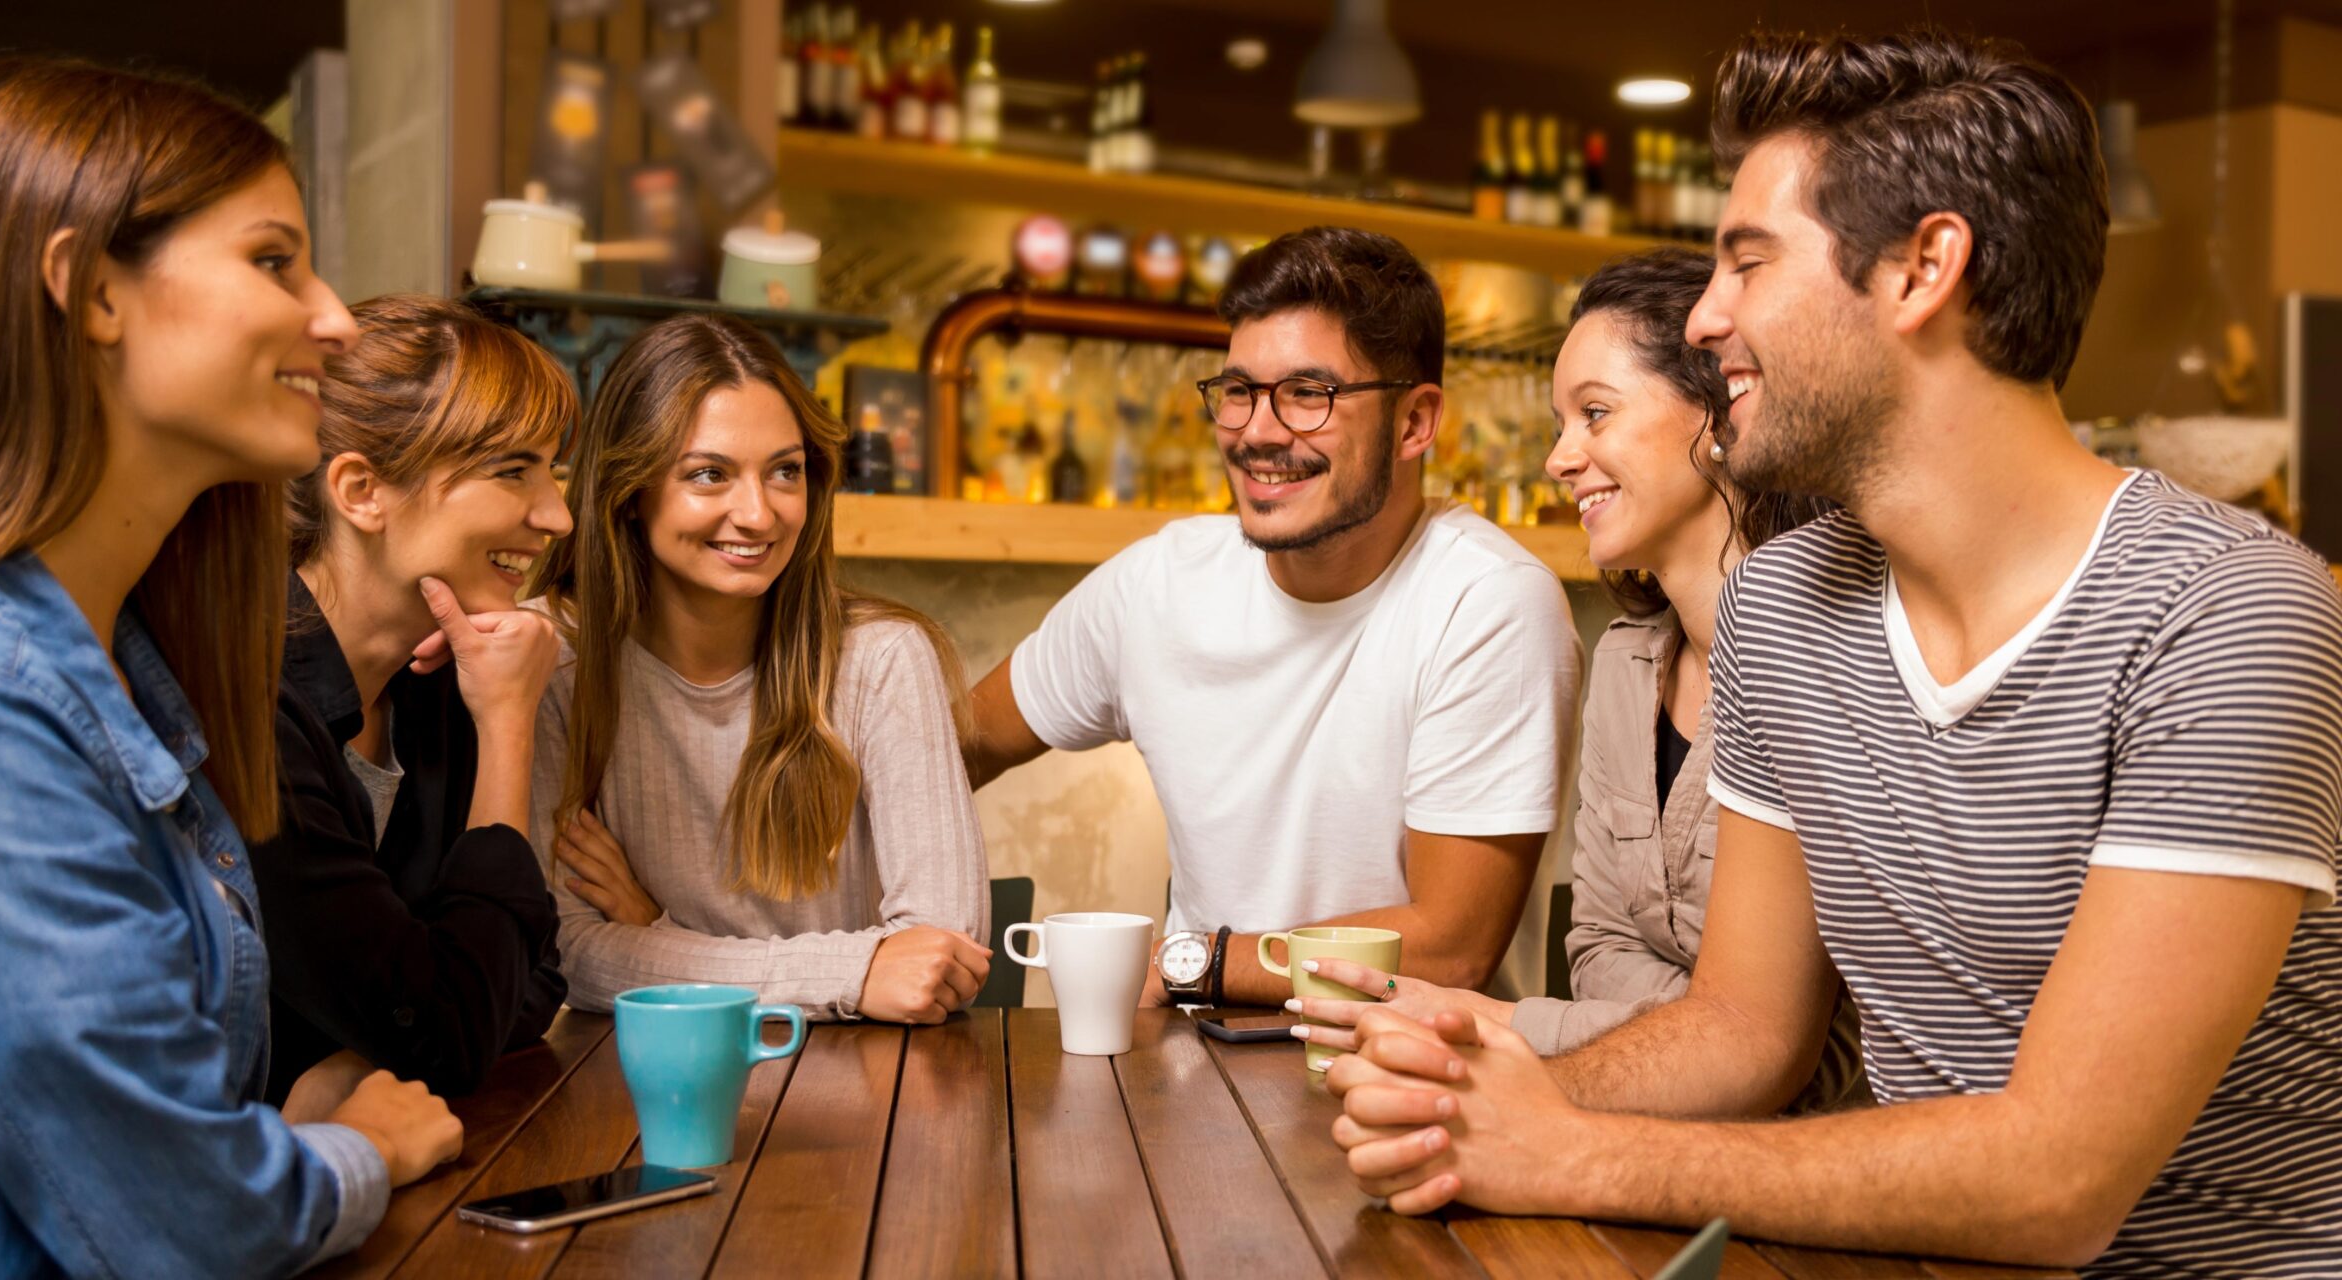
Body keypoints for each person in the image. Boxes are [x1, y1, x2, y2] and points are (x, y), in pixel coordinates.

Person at [1323, 28, 2342, 1277]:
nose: (1704, 320)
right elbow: (1746, 1028)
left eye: (1747, 262)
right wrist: (1486, 1090)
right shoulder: (1788, 606)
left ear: (1923, 268)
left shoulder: (2223, 613)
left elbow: (2057, 1180)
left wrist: (1569, 1150)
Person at [0, 58, 462, 1278]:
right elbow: (182, 1223)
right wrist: (355, 1149)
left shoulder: (125, 655)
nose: (336, 317)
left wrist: (258, 1143)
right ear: (90, 290)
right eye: (273, 261)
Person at [1289, 248, 1858, 1110]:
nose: (1560, 458)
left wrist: (1500, 1025)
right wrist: (1695, 1027)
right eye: (1563, 423)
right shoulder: (1630, 668)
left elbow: (1807, 1060)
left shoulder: (1826, 663)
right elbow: (1594, 949)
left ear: (1717, 412)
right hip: (1644, 1132)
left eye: (1595, 413)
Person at [964, 226, 1582, 1009]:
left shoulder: (1487, 602)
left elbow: (1449, 948)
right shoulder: (1160, 580)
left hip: (1405, 1088)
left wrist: (1190, 963)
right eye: (1239, 391)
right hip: (1183, 1072)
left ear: (1415, 423)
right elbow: (960, 741)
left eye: (1307, 393)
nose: (1257, 430)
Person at [526, 314, 991, 1024]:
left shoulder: (883, 661)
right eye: (709, 474)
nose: (758, 513)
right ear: (629, 489)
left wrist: (654, 937)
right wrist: (854, 970)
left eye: (784, 472)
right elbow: (566, 954)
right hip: (650, 1095)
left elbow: (939, 957)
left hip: (874, 1091)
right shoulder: (556, 662)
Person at [250, 294, 574, 1105]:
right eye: (513, 471)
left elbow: (531, 981)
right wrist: (507, 724)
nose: (557, 517)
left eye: (554, 473)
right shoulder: (251, 710)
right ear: (362, 492)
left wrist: (355, 1066)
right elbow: (447, 1025)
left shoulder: (435, 687)